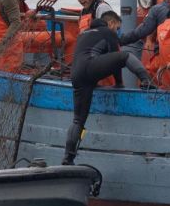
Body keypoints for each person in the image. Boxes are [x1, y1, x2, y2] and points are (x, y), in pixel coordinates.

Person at [63, 11, 154, 165]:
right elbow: (116, 59)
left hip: (76, 74)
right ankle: (146, 80)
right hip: (91, 66)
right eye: (117, 28)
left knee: (78, 120)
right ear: (111, 23)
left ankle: (68, 158)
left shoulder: (84, 33)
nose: (117, 32)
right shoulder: (107, 32)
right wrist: (119, 83)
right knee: (125, 56)